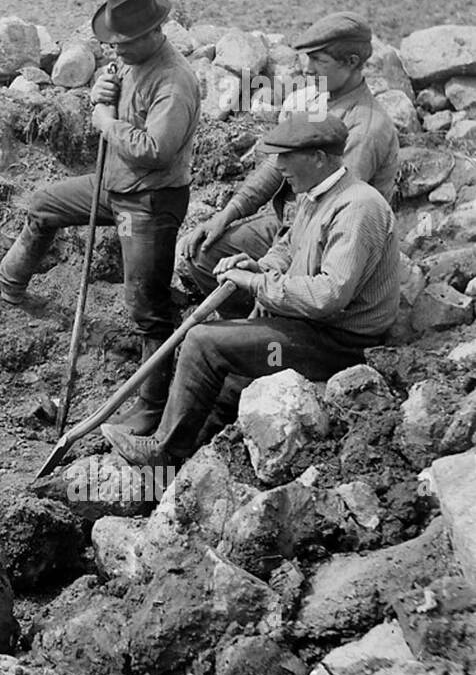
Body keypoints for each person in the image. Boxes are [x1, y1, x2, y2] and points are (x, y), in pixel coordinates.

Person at [0, 0, 200, 434]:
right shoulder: (132, 62)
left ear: (156, 32)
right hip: (115, 184)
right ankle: (11, 280)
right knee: (43, 204)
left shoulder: (175, 82)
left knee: (146, 309)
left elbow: (156, 148)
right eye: (111, 44)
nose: (116, 52)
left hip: (149, 201)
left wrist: (105, 120)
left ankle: (152, 409)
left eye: (124, 45)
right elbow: (117, 104)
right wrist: (103, 94)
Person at [100, 114, 399, 468]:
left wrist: (257, 284)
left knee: (202, 341)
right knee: (229, 376)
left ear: (319, 157)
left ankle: (163, 451)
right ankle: (186, 464)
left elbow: (327, 297)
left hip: (340, 342)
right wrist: (262, 266)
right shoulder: (315, 193)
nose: (279, 165)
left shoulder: (357, 207)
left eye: (287, 156)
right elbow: (288, 246)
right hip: (310, 325)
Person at [178, 11, 398, 319]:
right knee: (204, 256)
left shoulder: (366, 128)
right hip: (293, 225)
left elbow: (332, 208)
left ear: (350, 62)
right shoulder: (317, 100)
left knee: (266, 293)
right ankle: (249, 331)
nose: (307, 69)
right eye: (307, 58)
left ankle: (273, 332)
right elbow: (275, 166)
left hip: (331, 239)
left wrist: (265, 281)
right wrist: (226, 215)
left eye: (319, 60)